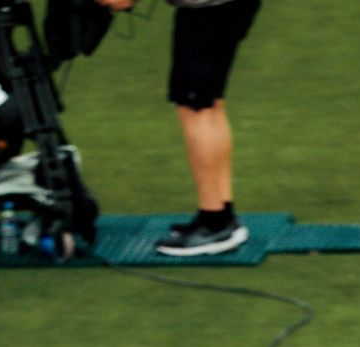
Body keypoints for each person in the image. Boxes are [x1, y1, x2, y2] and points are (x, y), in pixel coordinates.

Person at [95, 0, 261, 257]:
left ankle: (214, 224)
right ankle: (221, 215)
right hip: (220, 6)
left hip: (208, 9)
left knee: (196, 107)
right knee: (209, 104)